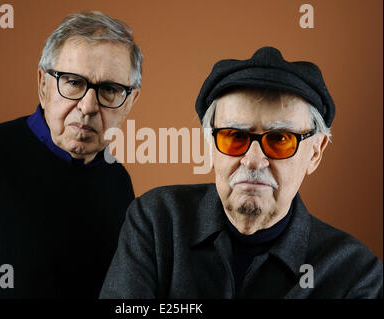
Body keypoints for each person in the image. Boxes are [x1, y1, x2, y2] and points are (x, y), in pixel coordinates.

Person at [100, 46, 383, 299]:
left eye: (280, 140)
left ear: (315, 152)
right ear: (211, 145)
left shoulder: (356, 273)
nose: (253, 160)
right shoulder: (156, 220)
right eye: (234, 136)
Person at [0, 11, 141, 298]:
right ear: (44, 85)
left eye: (109, 89)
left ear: (129, 101)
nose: (88, 106)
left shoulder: (118, 181)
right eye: (73, 82)